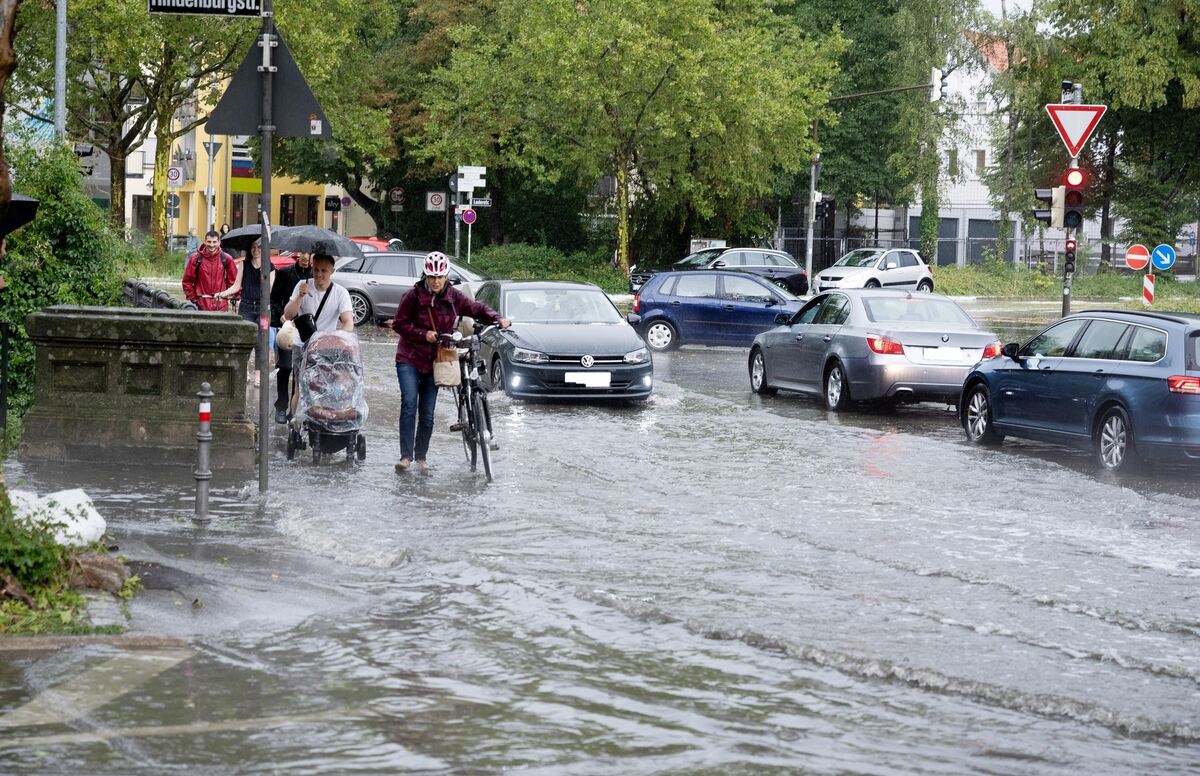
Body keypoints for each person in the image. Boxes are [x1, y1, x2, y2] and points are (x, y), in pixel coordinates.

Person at [391, 251, 510, 473]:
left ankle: (421, 456)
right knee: (409, 403)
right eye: (432, 277)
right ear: (425, 276)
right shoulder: (412, 296)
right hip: (409, 358)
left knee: (427, 413)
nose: (436, 281)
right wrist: (423, 334)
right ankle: (406, 456)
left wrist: (497, 318)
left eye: (440, 277)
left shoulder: (454, 297)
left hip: (436, 360)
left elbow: (476, 308)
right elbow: (399, 324)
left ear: (446, 277)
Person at [217, 238, 275, 385]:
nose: (256, 250)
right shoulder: (244, 264)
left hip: (262, 308)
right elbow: (237, 286)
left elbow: (269, 291)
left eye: (259, 247)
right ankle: (245, 371)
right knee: (245, 340)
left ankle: (258, 375)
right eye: (253, 247)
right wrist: (223, 293)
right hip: (246, 307)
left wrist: (264, 276)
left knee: (261, 342)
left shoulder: (270, 267)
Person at [270, 252, 313, 424]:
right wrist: (280, 317)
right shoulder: (285, 273)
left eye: (309, 254)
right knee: (285, 366)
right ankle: (281, 405)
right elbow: (274, 300)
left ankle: (294, 410)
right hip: (286, 327)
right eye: (303, 253)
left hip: (305, 329)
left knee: (299, 371)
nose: (306, 257)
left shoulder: (314, 276)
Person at [182, 230, 237, 311]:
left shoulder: (226, 258)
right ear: (205, 241)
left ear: (219, 242)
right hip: (201, 304)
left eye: (214, 242)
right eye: (209, 242)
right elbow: (187, 281)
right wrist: (193, 299)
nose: (212, 245)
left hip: (221, 305)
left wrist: (234, 296)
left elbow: (233, 281)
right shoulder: (196, 258)